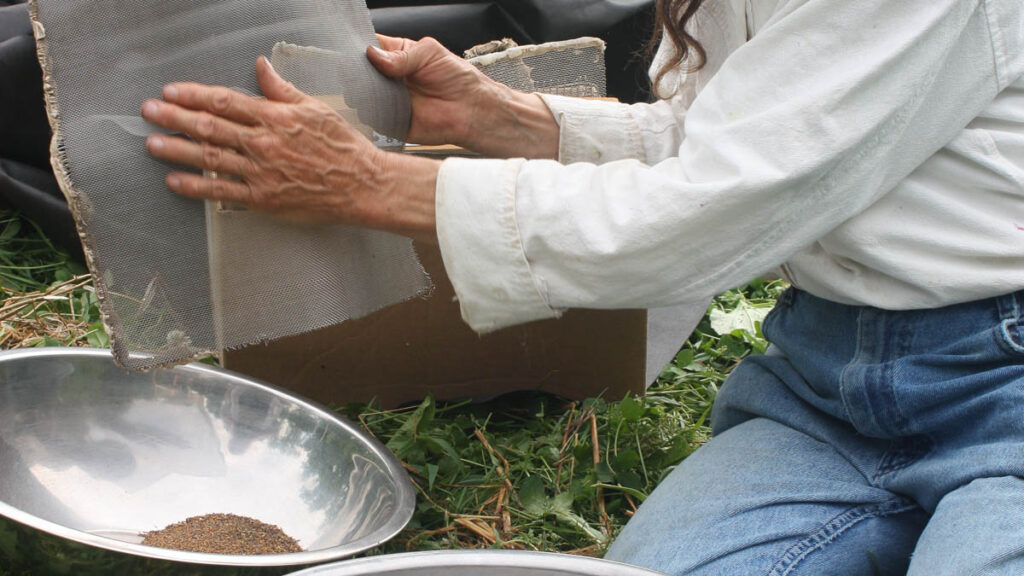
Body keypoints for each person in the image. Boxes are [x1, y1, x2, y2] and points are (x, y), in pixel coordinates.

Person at [140, 0, 1024, 573]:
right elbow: (728, 141)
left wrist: (372, 185)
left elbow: (717, 210)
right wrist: (509, 120)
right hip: (830, 388)